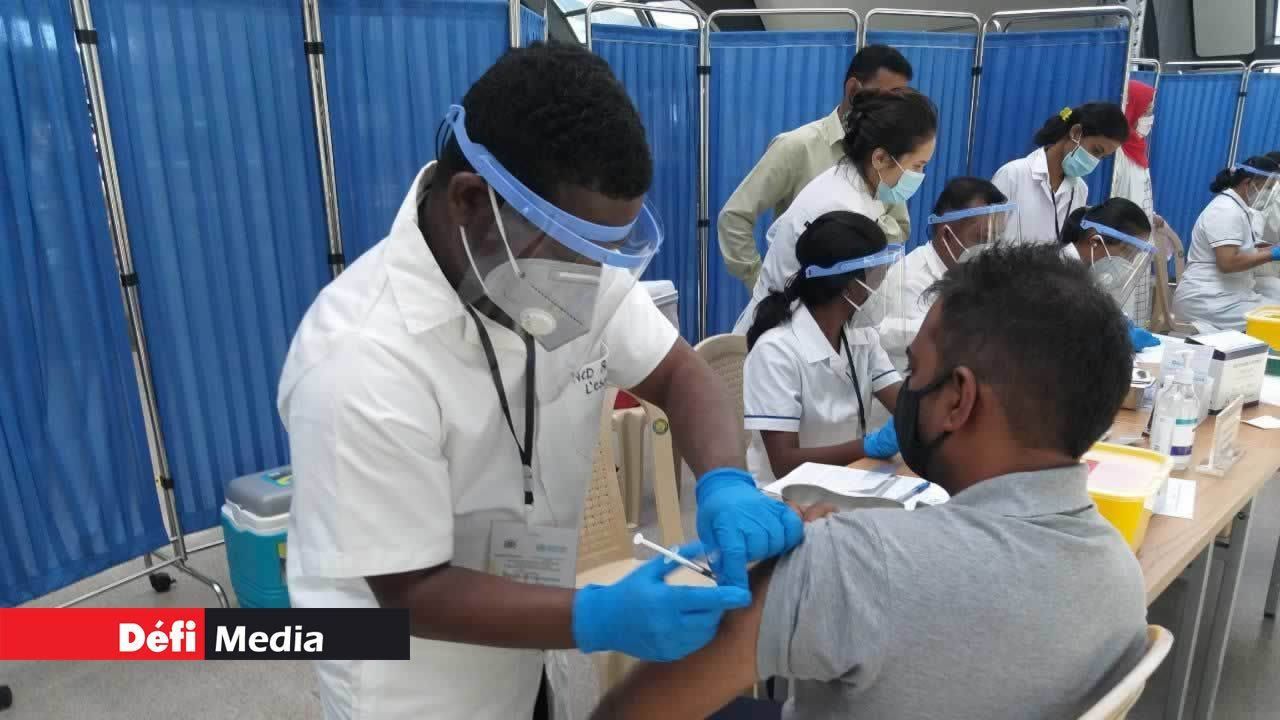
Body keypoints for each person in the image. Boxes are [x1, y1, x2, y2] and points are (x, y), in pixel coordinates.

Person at [276, 44, 802, 720]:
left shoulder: (553, 257)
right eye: (575, 259)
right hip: (413, 685)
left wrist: (725, 482)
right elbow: (410, 591)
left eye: (604, 257)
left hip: (524, 648)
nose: (592, 286)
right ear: (471, 201)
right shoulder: (358, 363)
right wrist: (598, 616)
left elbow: (681, 374)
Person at [589, 245, 1148, 720]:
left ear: (958, 399)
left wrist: (818, 569)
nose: (908, 389)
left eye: (916, 370)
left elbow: (633, 712)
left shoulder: (852, 564)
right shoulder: (1122, 575)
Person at [732, 87, 938, 335]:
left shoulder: (851, 182)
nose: (920, 176)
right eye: (917, 166)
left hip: (798, 328)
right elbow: (845, 309)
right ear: (880, 158)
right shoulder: (842, 208)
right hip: (783, 337)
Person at [718, 45, 914, 290]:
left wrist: (864, 229)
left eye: (900, 102)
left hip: (860, 298)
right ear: (853, 90)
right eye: (888, 99)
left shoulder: (886, 156)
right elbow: (734, 218)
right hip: (797, 299)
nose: (896, 112)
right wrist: (762, 283)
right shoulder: (797, 147)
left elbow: (900, 227)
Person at [742, 211, 904, 486]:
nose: (880, 286)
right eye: (877, 274)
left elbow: (903, 404)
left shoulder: (860, 337)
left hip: (847, 482)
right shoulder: (776, 352)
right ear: (850, 287)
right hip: (787, 497)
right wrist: (867, 446)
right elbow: (784, 463)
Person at [878, 177, 1011, 371]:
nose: (989, 249)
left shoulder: (971, 276)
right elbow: (916, 356)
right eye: (982, 239)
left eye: (995, 239)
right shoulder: (909, 279)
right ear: (947, 235)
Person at [993, 102, 1129, 245]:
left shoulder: (1080, 190)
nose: (1095, 161)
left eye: (1102, 157)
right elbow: (986, 239)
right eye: (1096, 150)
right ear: (1075, 132)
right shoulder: (1013, 175)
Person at [1174, 157, 1280, 331]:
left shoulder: (1238, 208)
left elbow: (1244, 250)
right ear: (1248, 183)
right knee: (1274, 321)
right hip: (1208, 299)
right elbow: (1228, 263)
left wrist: (1272, 249)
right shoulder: (1225, 210)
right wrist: (1272, 254)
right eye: (1267, 188)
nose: (1269, 195)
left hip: (1226, 293)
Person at [1059, 199, 1160, 351]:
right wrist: (1112, 339)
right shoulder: (1055, 275)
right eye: (1127, 251)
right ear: (1094, 241)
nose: (1129, 263)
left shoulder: (1089, 274)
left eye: (1135, 255)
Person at [1111, 79, 1160, 328]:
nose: (1149, 118)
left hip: (1138, 242)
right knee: (1117, 304)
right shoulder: (1117, 154)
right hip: (1119, 244)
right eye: (1146, 111)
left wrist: (1151, 214)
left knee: (1133, 305)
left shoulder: (1137, 150)